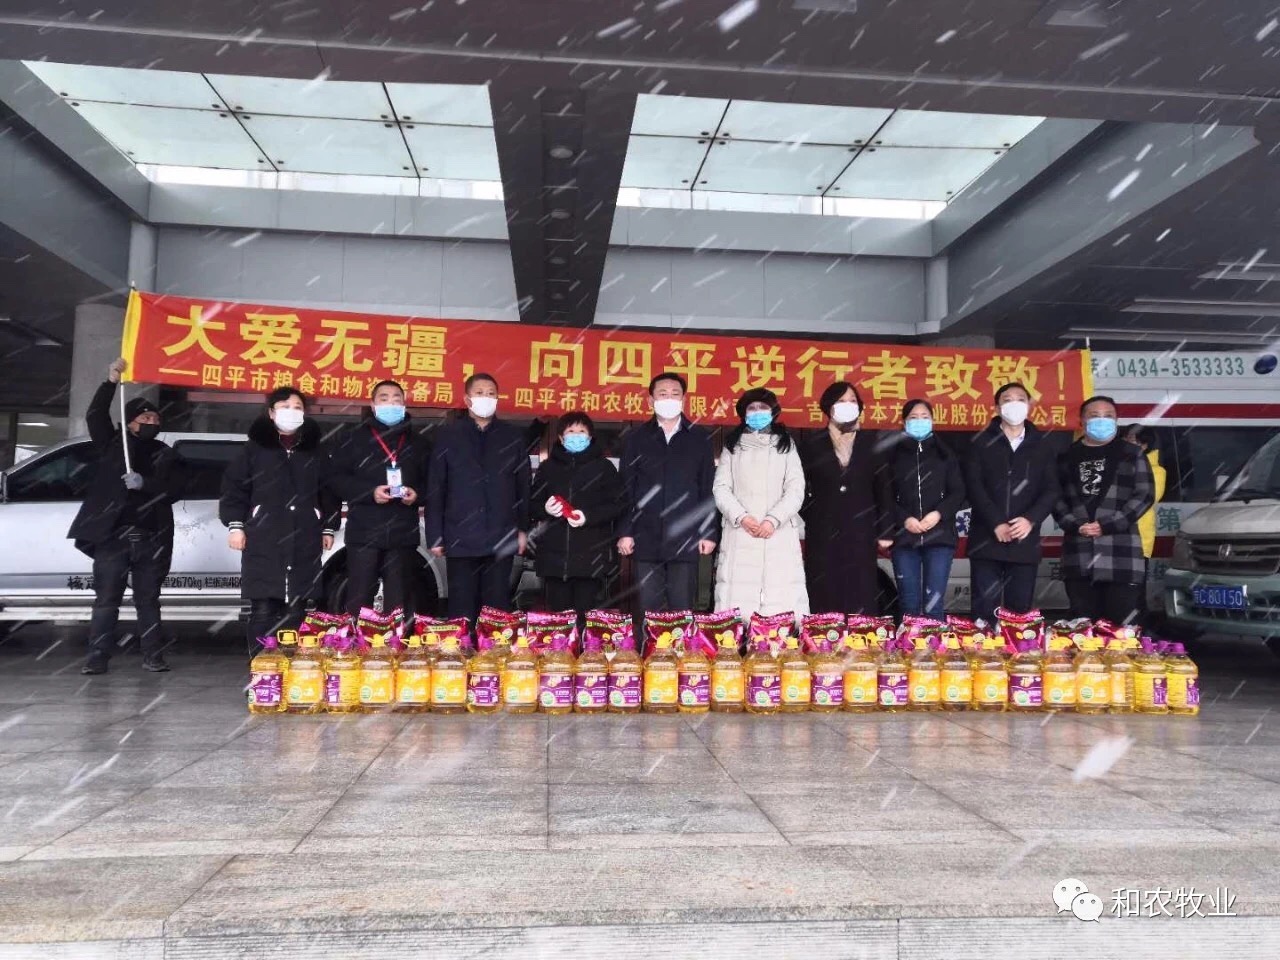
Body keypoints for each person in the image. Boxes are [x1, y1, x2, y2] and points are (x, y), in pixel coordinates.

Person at [70, 358, 185, 675]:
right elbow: (95, 415)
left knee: (148, 601)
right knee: (106, 601)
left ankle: (153, 656)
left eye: (155, 418)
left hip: (150, 540)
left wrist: (145, 483)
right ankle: (97, 658)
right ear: (130, 422)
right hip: (113, 540)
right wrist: (110, 382)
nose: (152, 421)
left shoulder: (165, 453)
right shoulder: (112, 445)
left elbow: (175, 489)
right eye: (145, 417)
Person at [221, 388, 341, 647]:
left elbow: (328, 491)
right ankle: (261, 665)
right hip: (264, 538)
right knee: (263, 609)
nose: (292, 412)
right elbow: (234, 489)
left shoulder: (315, 451)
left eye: (297, 407)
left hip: (304, 537)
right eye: (285, 407)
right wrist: (235, 525)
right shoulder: (254, 450)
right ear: (271, 413)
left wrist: (328, 527)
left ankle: (290, 664)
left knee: (297, 609)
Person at [426, 373, 532, 623]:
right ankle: (463, 645)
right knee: (461, 606)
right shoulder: (448, 436)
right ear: (467, 399)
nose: (486, 398)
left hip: (501, 534)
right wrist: (435, 535)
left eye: (491, 394)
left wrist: (523, 529)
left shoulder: (512, 437)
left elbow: (523, 487)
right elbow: (436, 488)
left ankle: (492, 647)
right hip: (460, 535)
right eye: (480, 393)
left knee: (496, 608)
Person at [616, 372, 718, 615]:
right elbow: (626, 488)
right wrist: (625, 531)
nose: (669, 398)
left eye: (675, 394)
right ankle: (647, 641)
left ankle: (680, 642)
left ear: (684, 399)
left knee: (682, 609)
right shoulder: (636, 438)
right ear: (650, 400)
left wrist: (709, 532)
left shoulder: (699, 438)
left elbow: (707, 488)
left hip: (686, 535)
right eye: (662, 394)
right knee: (648, 609)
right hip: (645, 533)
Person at [326, 380, 430, 616]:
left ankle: (397, 639)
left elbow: (433, 484)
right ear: (373, 405)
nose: (391, 403)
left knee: (399, 600)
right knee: (359, 598)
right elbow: (336, 480)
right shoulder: (352, 440)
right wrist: (369, 492)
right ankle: (356, 638)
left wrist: (417, 495)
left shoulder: (419, 443)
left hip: (402, 532)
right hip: (364, 531)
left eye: (396, 399)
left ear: (404, 404)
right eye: (384, 399)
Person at [964, 382, 1060, 626]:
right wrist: (996, 522)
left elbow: (1051, 489)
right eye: (1007, 400)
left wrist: (1030, 519)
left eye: (1020, 399)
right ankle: (984, 647)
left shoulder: (1042, 444)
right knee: (984, 612)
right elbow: (973, 486)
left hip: (1024, 540)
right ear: (997, 408)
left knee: (1019, 614)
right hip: (986, 538)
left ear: (1029, 405)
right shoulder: (979, 442)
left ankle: (1017, 649)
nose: (1014, 404)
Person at [1054, 397, 1155, 625]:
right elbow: (1056, 498)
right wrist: (1075, 525)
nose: (1102, 420)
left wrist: (1108, 525)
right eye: (1094, 415)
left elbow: (1144, 495)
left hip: (1121, 553)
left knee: (1121, 629)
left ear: (1117, 421)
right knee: (1082, 627)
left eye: (1108, 416)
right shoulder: (1066, 456)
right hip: (1079, 553)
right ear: (1081, 421)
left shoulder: (1132, 454)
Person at [712, 389, 808, 619]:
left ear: (773, 412)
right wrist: (742, 517)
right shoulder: (733, 445)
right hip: (741, 531)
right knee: (737, 606)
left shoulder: (786, 444)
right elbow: (721, 488)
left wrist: (773, 520)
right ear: (743, 413)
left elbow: (795, 488)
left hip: (778, 532)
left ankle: (778, 637)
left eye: (763, 408)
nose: (757, 412)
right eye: (752, 408)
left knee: (780, 603)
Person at [799, 382, 893, 615]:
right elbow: (797, 486)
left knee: (860, 590)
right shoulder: (813, 443)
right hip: (823, 532)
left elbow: (884, 489)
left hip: (861, 530)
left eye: (852, 401)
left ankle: (860, 636)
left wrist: (885, 531)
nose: (847, 405)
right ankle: (824, 636)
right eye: (841, 401)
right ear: (829, 407)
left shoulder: (872, 441)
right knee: (824, 588)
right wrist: (814, 513)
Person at [530, 412, 625, 616]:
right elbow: (532, 504)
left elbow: (617, 505)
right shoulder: (548, 468)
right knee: (559, 620)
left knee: (586, 618)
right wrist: (545, 509)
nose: (576, 435)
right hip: (554, 559)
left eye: (582, 431)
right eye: (571, 431)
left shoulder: (604, 468)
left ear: (590, 437)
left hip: (590, 558)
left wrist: (588, 516)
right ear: (561, 437)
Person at [887, 399, 966, 619]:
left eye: (925, 417)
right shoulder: (893, 456)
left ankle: (934, 641)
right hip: (904, 538)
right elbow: (885, 495)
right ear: (904, 422)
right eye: (913, 417)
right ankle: (909, 641)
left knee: (934, 605)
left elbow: (958, 492)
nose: (919, 421)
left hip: (940, 537)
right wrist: (904, 519)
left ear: (932, 421)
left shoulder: (945, 454)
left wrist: (938, 514)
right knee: (909, 603)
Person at [1124, 424, 1167, 564]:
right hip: (1116, 537)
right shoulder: (1120, 465)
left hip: (1139, 536)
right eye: (1124, 440)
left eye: (1132, 441)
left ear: (1144, 445)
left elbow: (1148, 498)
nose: (1126, 445)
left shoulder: (1156, 471)